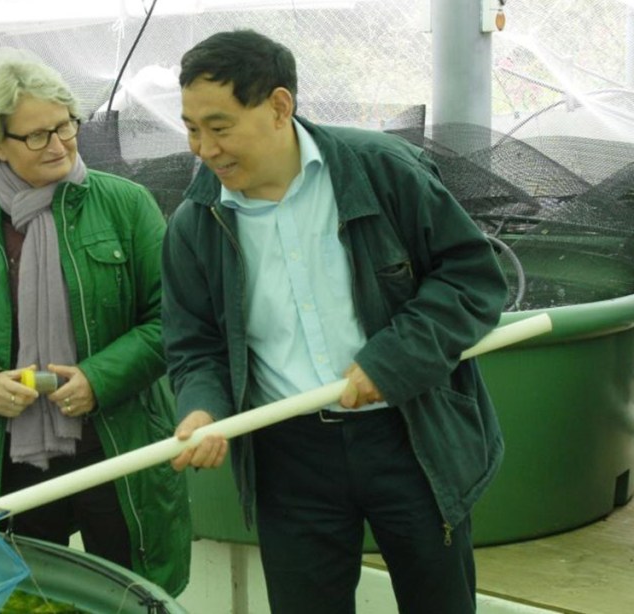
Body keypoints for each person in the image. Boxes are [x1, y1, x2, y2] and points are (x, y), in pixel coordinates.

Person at [162, 30, 508, 613]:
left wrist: (392, 361)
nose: (203, 148)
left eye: (219, 127)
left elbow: (472, 278)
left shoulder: (382, 171)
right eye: (192, 128)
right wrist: (203, 406)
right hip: (289, 456)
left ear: (278, 106)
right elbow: (195, 346)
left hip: (409, 435)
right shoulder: (195, 224)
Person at [0, 48, 191, 596]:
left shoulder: (127, 206)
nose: (60, 144)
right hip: (10, 454)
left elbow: (171, 322)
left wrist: (100, 378)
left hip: (116, 445)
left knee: (129, 594)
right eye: (36, 135)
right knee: (29, 598)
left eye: (65, 126)